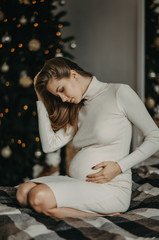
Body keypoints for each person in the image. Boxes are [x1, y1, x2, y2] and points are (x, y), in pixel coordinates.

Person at [16, 57, 159, 219]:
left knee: (38, 197)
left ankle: (103, 216)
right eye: (57, 95)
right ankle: (58, 209)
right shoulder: (78, 107)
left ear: (74, 75)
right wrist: (41, 100)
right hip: (80, 184)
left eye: (62, 89)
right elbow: (49, 145)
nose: (62, 99)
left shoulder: (119, 93)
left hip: (110, 189)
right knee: (22, 193)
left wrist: (119, 166)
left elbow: (155, 137)